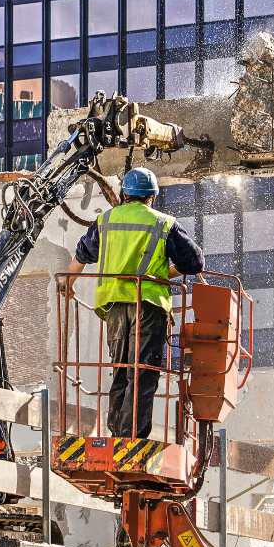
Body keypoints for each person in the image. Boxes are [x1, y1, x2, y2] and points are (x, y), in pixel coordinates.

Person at [59, 168, 204, 438]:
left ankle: (116, 433)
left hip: (115, 308)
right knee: (143, 373)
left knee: (121, 372)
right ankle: (132, 437)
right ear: (152, 197)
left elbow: (83, 253)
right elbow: (195, 262)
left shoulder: (106, 220)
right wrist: (164, 274)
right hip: (148, 307)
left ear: (125, 194)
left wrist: (68, 282)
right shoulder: (163, 223)